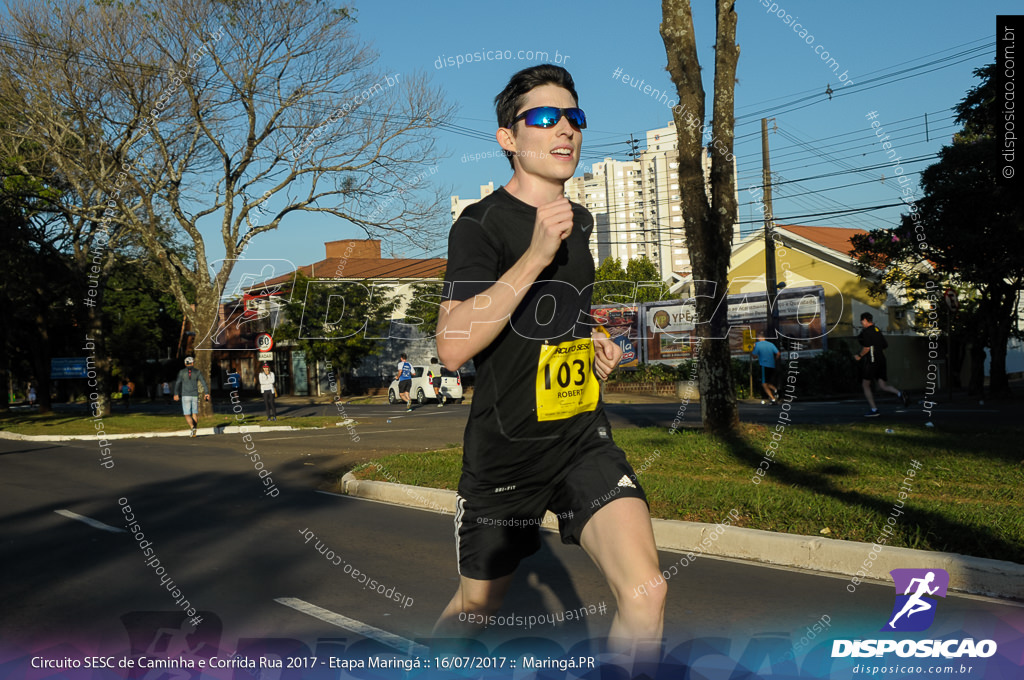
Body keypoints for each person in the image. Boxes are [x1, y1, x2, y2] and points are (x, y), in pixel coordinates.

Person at [434, 65, 664, 664]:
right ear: (508, 138)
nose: (564, 129)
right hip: (507, 447)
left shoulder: (580, 221)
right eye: (543, 117)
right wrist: (535, 255)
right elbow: (453, 346)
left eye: (574, 117)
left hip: (581, 436)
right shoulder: (480, 225)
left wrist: (590, 337)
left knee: (646, 592)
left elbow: (557, 312)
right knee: (475, 613)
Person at [854, 312, 909, 417]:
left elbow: (866, 348)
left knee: (865, 385)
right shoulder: (877, 330)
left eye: (862, 321)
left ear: (865, 320)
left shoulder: (866, 332)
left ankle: (874, 409)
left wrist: (859, 356)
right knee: (882, 385)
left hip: (872, 360)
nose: (861, 323)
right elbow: (885, 345)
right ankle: (900, 394)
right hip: (881, 360)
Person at [172, 356, 210, 437]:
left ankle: (192, 427)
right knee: (194, 413)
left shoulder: (181, 372)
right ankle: (194, 429)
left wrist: (176, 393)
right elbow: (203, 382)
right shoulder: (197, 372)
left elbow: (178, 383)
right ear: (193, 363)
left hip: (185, 395)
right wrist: (206, 393)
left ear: (185, 364)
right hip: (195, 395)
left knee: (187, 414)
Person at [750, 332, 780, 405]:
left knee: (764, 384)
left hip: (764, 365)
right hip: (772, 365)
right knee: (768, 382)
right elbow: (778, 353)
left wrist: (751, 350)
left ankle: (773, 399)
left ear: (758, 338)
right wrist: (774, 360)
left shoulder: (757, 345)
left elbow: (754, 356)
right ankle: (776, 390)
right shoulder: (771, 344)